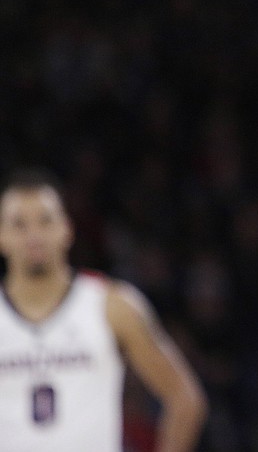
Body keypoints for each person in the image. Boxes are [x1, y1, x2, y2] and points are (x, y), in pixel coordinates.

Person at [0, 169, 209, 452]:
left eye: (45, 221)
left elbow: (185, 399)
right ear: (2, 235)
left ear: (67, 229)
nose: (34, 234)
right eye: (19, 224)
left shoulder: (112, 306)